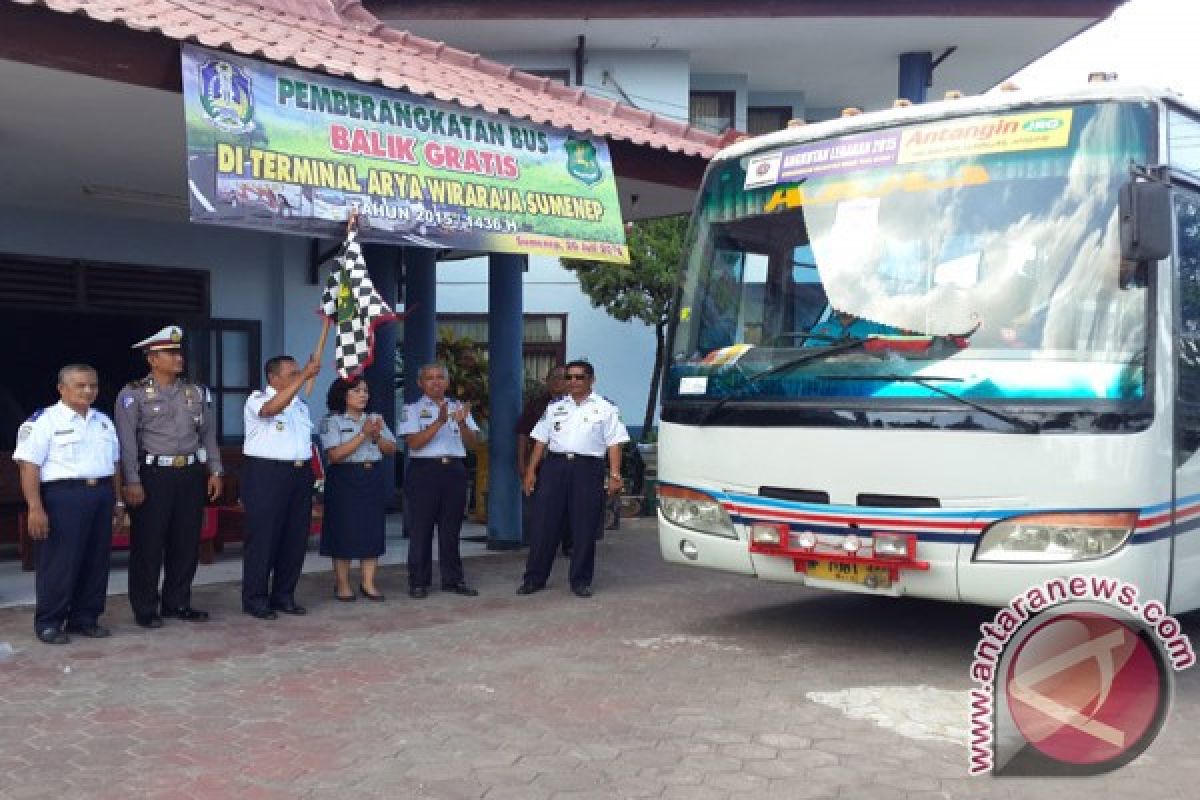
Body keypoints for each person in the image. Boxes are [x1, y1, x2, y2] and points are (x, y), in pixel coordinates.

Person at [114, 325, 223, 629]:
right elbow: (127, 442)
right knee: (149, 543)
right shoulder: (133, 394)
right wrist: (132, 481)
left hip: (189, 472)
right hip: (154, 474)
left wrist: (215, 469)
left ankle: (177, 602)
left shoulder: (195, 391)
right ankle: (146, 607)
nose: (179, 358)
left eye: (179, 352)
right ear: (152, 358)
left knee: (186, 541)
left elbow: (208, 434)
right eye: (170, 353)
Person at [13, 365, 121, 644]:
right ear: (62, 389)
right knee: (59, 563)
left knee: (96, 561)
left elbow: (115, 465)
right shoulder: (43, 421)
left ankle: (85, 619)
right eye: (81, 385)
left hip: (101, 494)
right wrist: (35, 507)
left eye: (93, 386)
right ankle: (49, 622)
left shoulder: (103, 422)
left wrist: (118, 503)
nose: (88, 391)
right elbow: (29, 467)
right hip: (64, 496)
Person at [519, 359, 629, 598]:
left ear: (591, 380)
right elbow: (540, 440)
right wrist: (530, 472)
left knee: (584, 526)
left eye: (579, 377)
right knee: (544, 525)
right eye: (569, 377)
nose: (573, 382)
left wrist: (615, 474)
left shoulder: (605, 408)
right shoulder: (555, 407)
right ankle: (534, 578)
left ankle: (580, 580)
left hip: (587, 469)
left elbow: (614, 443)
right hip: (555, 467)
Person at [241, 354, 321, 620]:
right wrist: (303, 379)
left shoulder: (300, 405)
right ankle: (255, 598)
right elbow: (271, 410)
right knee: (264, 538)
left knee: (295, 537)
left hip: (299, 474)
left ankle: (284, 594)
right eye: (292, 373)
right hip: (267, 473)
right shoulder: (257, 399)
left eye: (299, 372)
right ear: (273, 378)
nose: (299, 376)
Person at [398, 363, 480, 599]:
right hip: (425, 471)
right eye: (429, 378)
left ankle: (453, 579)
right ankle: (418, 581)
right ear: (420, 383)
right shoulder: (412, 410)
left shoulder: (458, 407)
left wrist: (462, 423)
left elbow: (473, 444)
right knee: (421, 529)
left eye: (440, 377)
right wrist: (439, 422)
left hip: (454, 470)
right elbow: (413, 443)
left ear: (447, 382)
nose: (435, 382)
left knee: (451, 530)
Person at [319, 377, 397, 602]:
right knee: (343, 529)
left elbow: (391, 449)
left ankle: (368, 582)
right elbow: (334, 455)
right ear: (343, 394)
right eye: (357, 390)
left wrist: (377, 435)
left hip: (371, 476)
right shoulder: (331, 421)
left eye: (366, 390)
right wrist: (363, 434)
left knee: (371, 529)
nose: (364, 395)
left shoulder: (375, 419)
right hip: (344, 477)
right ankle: (342, 584)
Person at [516, 365, 570, 556]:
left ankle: (568, 543)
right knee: (542, 506)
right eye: (553, 378)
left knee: (568, 504)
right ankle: (541, 544)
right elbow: (523, 434)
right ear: (547, 381)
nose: (558, 382)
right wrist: (523, 463)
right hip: (540, 463)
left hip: (567, 463)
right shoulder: (537, 405)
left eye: (563, 378)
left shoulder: (577, 405)